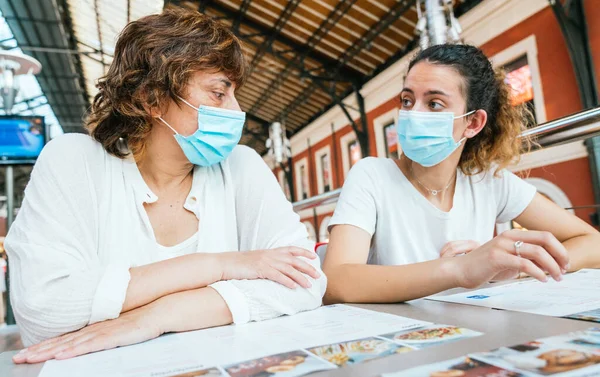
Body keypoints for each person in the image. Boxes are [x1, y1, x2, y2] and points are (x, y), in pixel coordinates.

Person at [7, 8, 326, 364]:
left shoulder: (242, 166)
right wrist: (222, 266)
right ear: (151, 98)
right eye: (219, 93)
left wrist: (156, 317)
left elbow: (308, 281)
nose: (237, 110)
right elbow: (44, 311)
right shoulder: (74, 161)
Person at [323, 44, 600, 304]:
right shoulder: (372, 175)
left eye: (434, 104)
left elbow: (593, 243)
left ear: (473, 122)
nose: (412, 114)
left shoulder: (488, 180)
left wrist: (512, 267)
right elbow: (335, 282)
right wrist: (459, 270)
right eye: (407, 101)